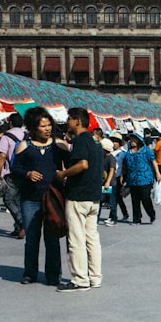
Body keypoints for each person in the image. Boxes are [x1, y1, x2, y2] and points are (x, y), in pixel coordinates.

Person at [11, 107, 66, 285]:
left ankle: (53, 275)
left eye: (49, 125)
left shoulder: (58, 146)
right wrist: (27, 174)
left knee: (53, 239)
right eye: (43, 126)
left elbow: (71, 164)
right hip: (30, 200)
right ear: (34, 128)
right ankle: (30, 274)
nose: (47, 128)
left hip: (52, 199)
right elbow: (15, 169)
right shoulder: (24, 146)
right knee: (32, 239)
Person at [55, 107, 103, 293]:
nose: (67, 122)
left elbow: (83, 164)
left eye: (69, 119)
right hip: (93, 196)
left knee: (76, 239)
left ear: (77, 121)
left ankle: (80, 279)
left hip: (78, 195)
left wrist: (63, 174)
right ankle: (95, 277)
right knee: (92, 238)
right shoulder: (95, 141)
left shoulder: (81, 140)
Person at [0, 113, 26, 239]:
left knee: (8, 199)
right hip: (25, 172)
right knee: (18, 199)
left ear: (10, 123)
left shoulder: (6, 137)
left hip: (11, 172)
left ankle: (22, 223)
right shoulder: (26, 135)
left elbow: (2, 156)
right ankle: (18, 227)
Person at [122, 133, 161, 224]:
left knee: (145, 198)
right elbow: (125, 165)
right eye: (130, 140)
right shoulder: (128, 152)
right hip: (132, 180)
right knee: (135, 200)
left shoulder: (146, 150)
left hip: (145, 178)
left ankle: (151, 214)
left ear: (138, 141)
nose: (131, 142)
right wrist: (123, 176)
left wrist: (157, 173)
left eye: (133, 140)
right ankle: (136, 218)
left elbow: (153, 161)